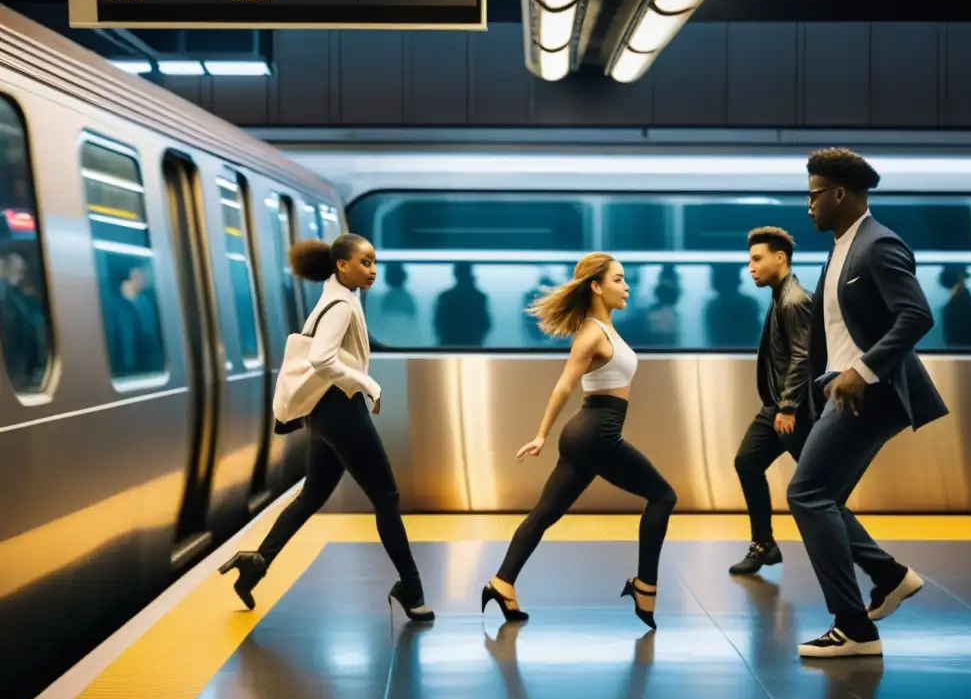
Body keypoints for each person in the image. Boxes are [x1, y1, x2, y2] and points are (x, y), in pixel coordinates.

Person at [219, 234, 434, 622]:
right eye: (364, 263)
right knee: (386, 497)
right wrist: (367, 384)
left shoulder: (336, 297)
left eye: (374, 263)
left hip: (324, 412)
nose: (372, 271)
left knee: (312, 495)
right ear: (341, 265)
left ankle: (256, 561)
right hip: (340, 410)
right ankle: (412, 588)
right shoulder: (339, 305)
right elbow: (322, 359)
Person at [792, 148, 947, 658]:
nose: (808, 205)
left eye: (814, 195)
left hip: (870, 392)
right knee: (825, 498)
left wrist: (863, 369)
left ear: (839, 193)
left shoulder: (878, 246)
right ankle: (890, 576)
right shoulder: (841, 247)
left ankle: (854, 628)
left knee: (807, 494)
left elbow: (916, 315)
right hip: (843, 389)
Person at [481, 253, 678, 630]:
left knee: (544, 514)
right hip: (595, 434)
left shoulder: (605, 329)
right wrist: (540, 434)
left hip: (587, 436)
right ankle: (645, 586)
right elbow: (564, 384)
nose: (626, 286)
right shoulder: (591, 334)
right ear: (596, 286)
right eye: (618, 280)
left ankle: (501, 583)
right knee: (664, 496)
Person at [729, 226, 812, 576]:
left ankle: (866, 558)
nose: (751, 267)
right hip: (776, 405)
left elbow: (802, 354)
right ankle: (764, 545)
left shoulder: (794, 301)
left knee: (817, 489)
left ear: (781, 258)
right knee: (747, 462)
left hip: (792, 409)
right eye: (750, 260)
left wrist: (789, 406)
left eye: (757, 259)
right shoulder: (780, 295)